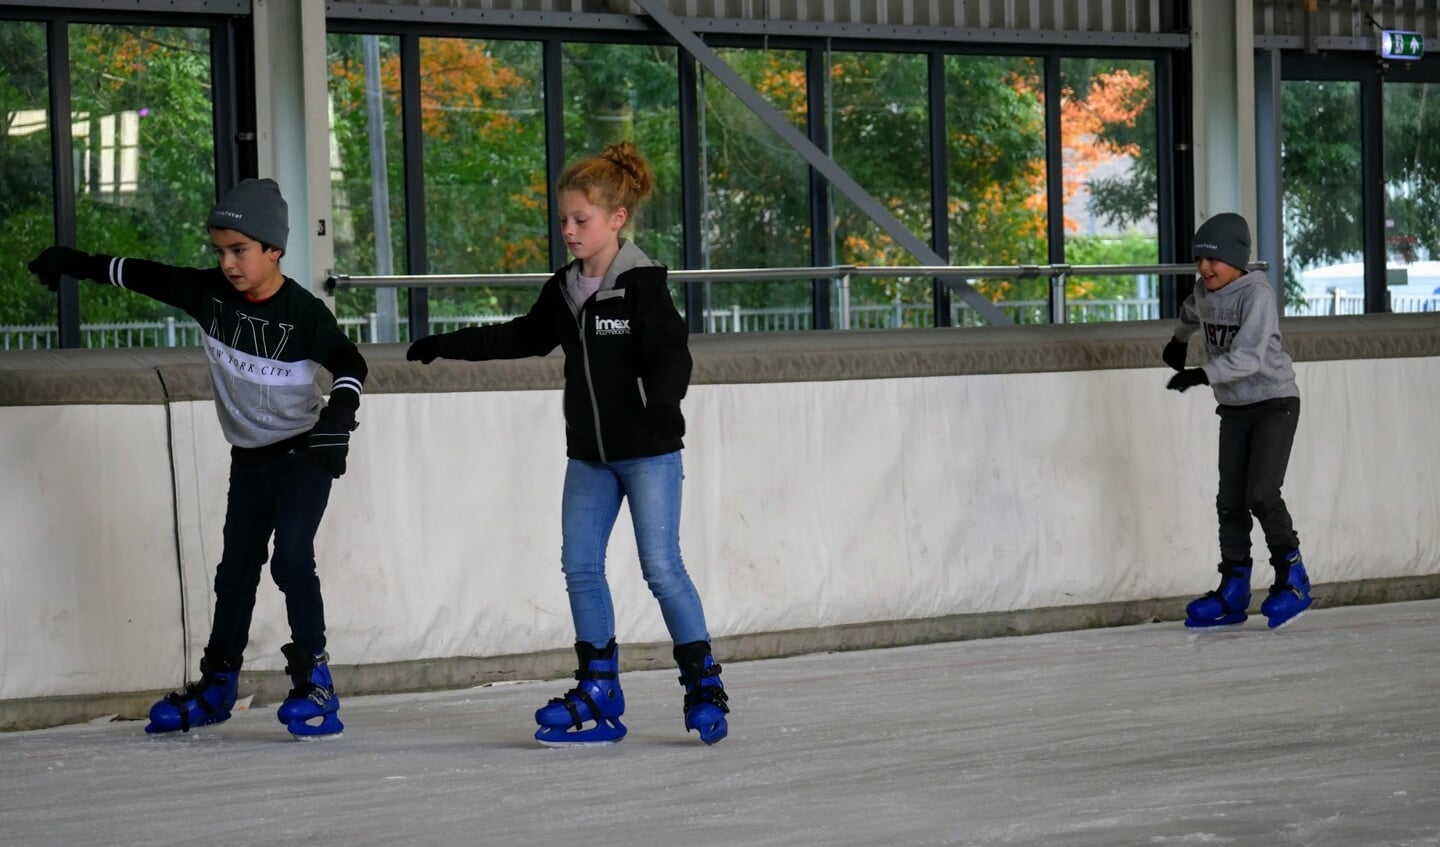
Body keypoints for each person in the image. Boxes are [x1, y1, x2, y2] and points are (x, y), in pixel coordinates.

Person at [406, 141, 730, 745]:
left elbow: (670, 354)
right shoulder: (565, 289)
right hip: (589, 456)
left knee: (662, 567)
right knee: (580, 566)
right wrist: (447, 342)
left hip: (649, 452)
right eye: (563, 220)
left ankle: (703, 683)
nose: (569, 231)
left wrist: (663, 405)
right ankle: (600, 688)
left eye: (581, 219)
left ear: (617, 219)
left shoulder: (641, 286)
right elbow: (523, 337)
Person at [28, 178, 366, 739]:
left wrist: (339, 419)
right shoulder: (207, 294)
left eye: (240, 250)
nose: (228, 262)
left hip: (305, 454)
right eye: (220, 250)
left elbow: (350, 361)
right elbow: (139, 273)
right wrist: (73, 263)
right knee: (234, 573)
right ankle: (218, 684)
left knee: (290, 560)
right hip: (250, 459)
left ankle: (315, 682)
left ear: (274, 250)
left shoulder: (303, 313)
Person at [1163, 212, 1312, 629]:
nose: (1205, 268)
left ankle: (1294, 578)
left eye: (1214, 260)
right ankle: (1234, 589)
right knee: (1229, 501)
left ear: (1238, 261)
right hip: (1234, 408)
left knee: (1262, 494)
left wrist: (1199, 373)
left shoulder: (1256, 296)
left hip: (1274, 402)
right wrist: (1178, 340)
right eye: (1199, 259)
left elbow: (1247, 358)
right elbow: (1192, 310)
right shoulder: (1205, 291)